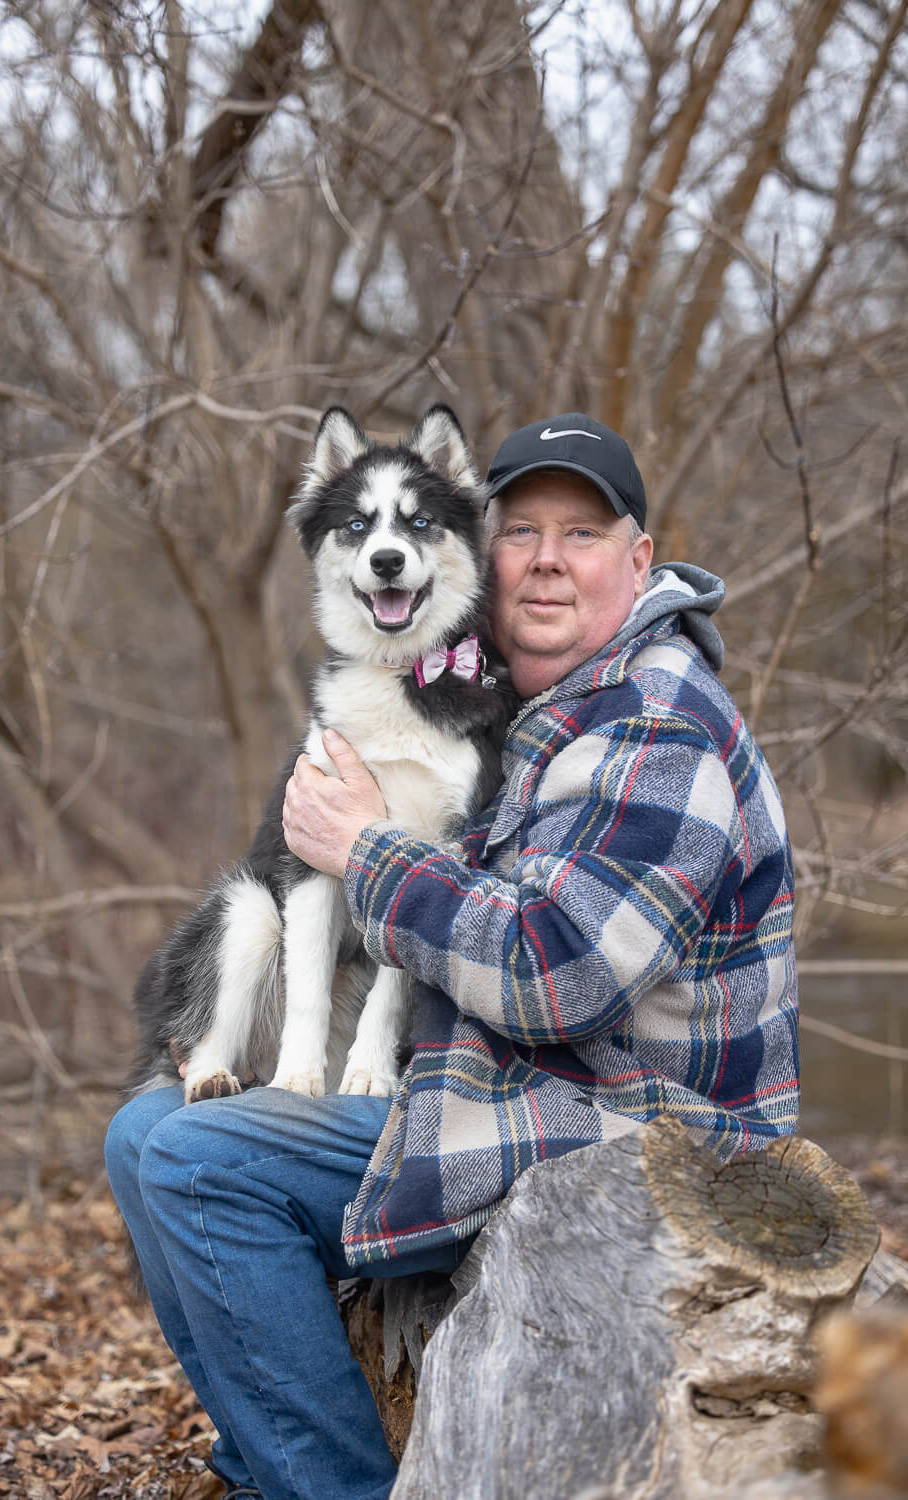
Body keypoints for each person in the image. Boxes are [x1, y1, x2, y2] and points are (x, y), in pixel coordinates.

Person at [105, 412, 799, 1500]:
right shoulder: (540, 701)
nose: (547, 560)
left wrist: (366, 852)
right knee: (143, 1131)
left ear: (639, 559)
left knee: (203, 1166)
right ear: (485, 550)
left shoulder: (658, 724)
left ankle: (326, 1488)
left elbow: (558, 974)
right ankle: (258, 1465)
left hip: (632, 1123)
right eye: (523, 531)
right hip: (515, 1083)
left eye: (582, 533)